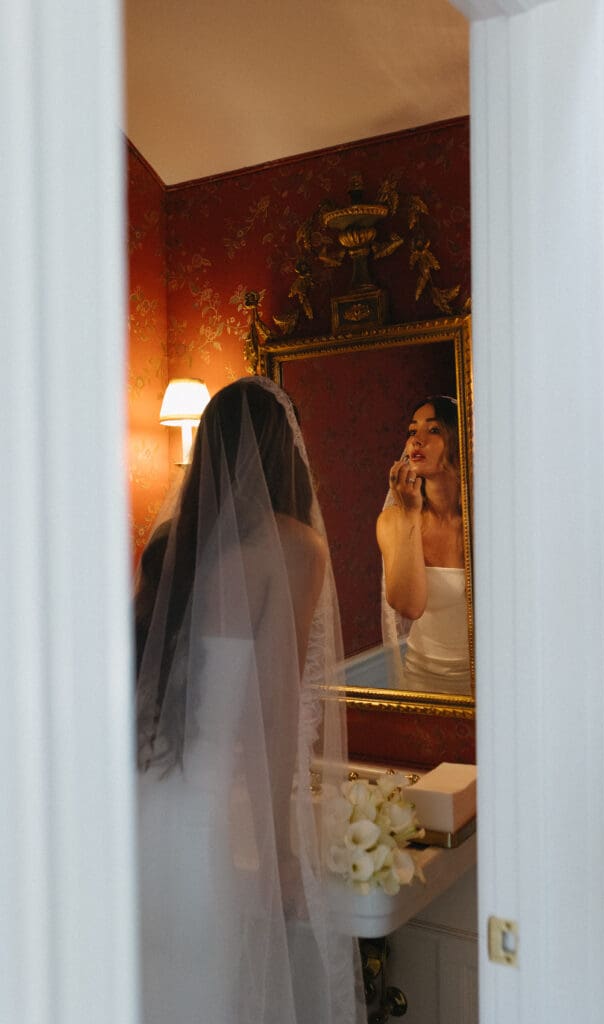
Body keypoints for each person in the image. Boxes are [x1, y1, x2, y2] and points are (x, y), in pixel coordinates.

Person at [135, 376, 364, 1024]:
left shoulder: (173, 548)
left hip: (134, 814)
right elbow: (273, 715)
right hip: (195, 829)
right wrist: (282, 855)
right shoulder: (292, 547)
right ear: (284, 450)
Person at [376, 395, 471, 695]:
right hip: (421, 677)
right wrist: (410, 513)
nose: (416, 440)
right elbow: (409, 605)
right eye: (411, 431)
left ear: (459, 441)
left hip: (485, 677)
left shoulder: (487, 520)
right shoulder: (393, 520)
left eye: (433, 431)